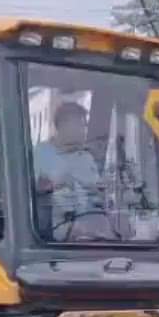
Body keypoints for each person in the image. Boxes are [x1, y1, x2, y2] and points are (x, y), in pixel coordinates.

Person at [34, 102, 105, 239]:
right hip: (55, 229)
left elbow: (98, 193)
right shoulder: (41, 153)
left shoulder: (86, 157)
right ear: (63, 126)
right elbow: (30, 189)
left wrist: (100, 189)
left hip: (89, 222)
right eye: (80, 125)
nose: (84, 131)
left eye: (85, 126)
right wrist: (57, 184)